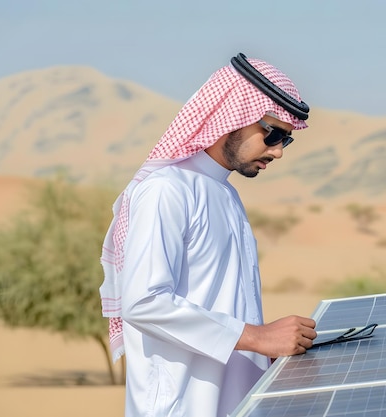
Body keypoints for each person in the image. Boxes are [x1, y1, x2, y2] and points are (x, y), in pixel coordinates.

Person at [99, 53, 317, 417]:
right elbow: (143, 302)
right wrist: (259, 337)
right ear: (232, 116)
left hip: (233, 402)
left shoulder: (226, 194)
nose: (278, 151)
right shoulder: (166, 190)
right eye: (273, 134)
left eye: (286, 141)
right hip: (181, 406)